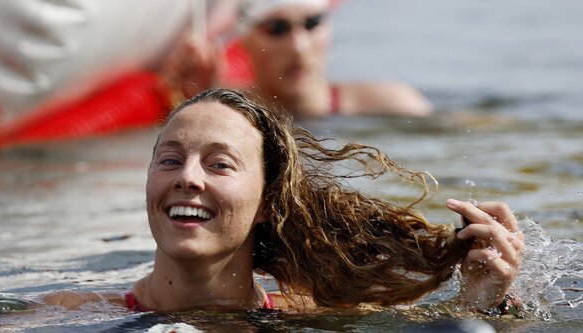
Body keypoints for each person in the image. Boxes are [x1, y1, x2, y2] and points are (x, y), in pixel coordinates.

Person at [44, 88, 524, 313]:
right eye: (169, 160)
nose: (187, 178)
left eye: (219, 164)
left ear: (268, 203)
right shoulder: (72, 312)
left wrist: (482, 302)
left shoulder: (319, 316)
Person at [161, 0, 433, 119]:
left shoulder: (398, 104)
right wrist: (197, 98)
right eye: (277, 29)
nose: (299, 47)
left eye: (312, 24)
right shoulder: (221, 109)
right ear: (243, 41)